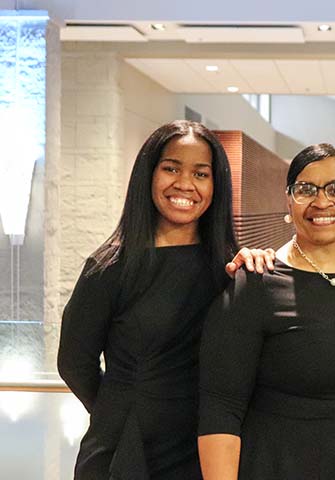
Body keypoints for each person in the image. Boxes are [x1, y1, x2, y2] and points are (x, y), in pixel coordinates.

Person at [197, 143, 335, 480]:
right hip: (284, 464)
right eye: (305, 189)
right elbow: (220, 406)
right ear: (288, 201)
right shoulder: (257, 282)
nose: (322, 201)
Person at [57, 120, 238, 479]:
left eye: (200, 173)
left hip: (200, 448)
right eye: (171, 168)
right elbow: (74, 363)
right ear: (148, 174)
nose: (185, 184)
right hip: (125, 446)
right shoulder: (109, 266)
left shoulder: (229, 268)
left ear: (216, 185)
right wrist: (120, 405)